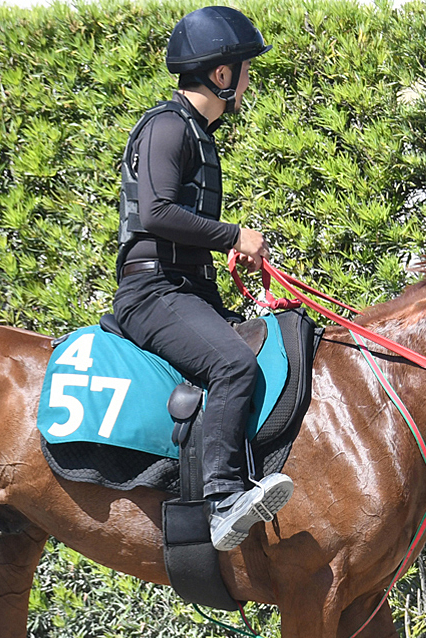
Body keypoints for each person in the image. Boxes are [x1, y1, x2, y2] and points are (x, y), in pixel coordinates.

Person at [112, 6, 293, 552]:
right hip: (150, 294)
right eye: (244, 70)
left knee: (257, 346)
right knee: (233, 363)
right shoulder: (169, 126)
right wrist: (235, 236)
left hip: (182, 290)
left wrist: (226, 274)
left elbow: (185, 238)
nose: (248, 83)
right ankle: (221, 503)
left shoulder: (199, 134)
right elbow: (157, 214)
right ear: (221, 75)